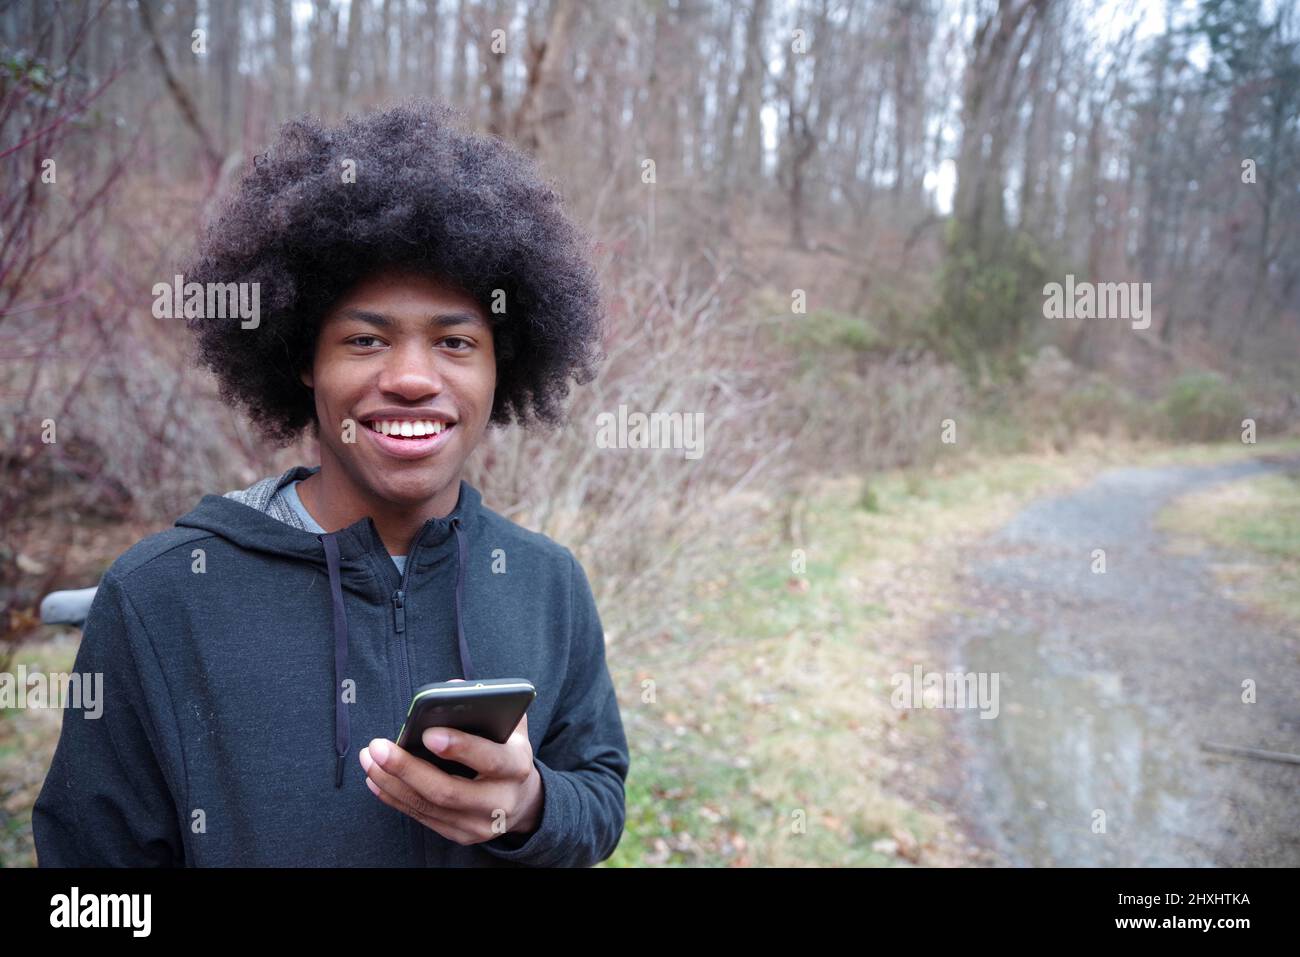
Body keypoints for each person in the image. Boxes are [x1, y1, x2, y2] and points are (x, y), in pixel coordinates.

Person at [32, 101, 629, 867]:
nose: (412, 378)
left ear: (499, 367)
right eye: (365, 338)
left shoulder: (548, 582)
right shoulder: (161, 597)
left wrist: (529, 805)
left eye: (454, 341)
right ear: (304, 359)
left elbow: (599, 797)